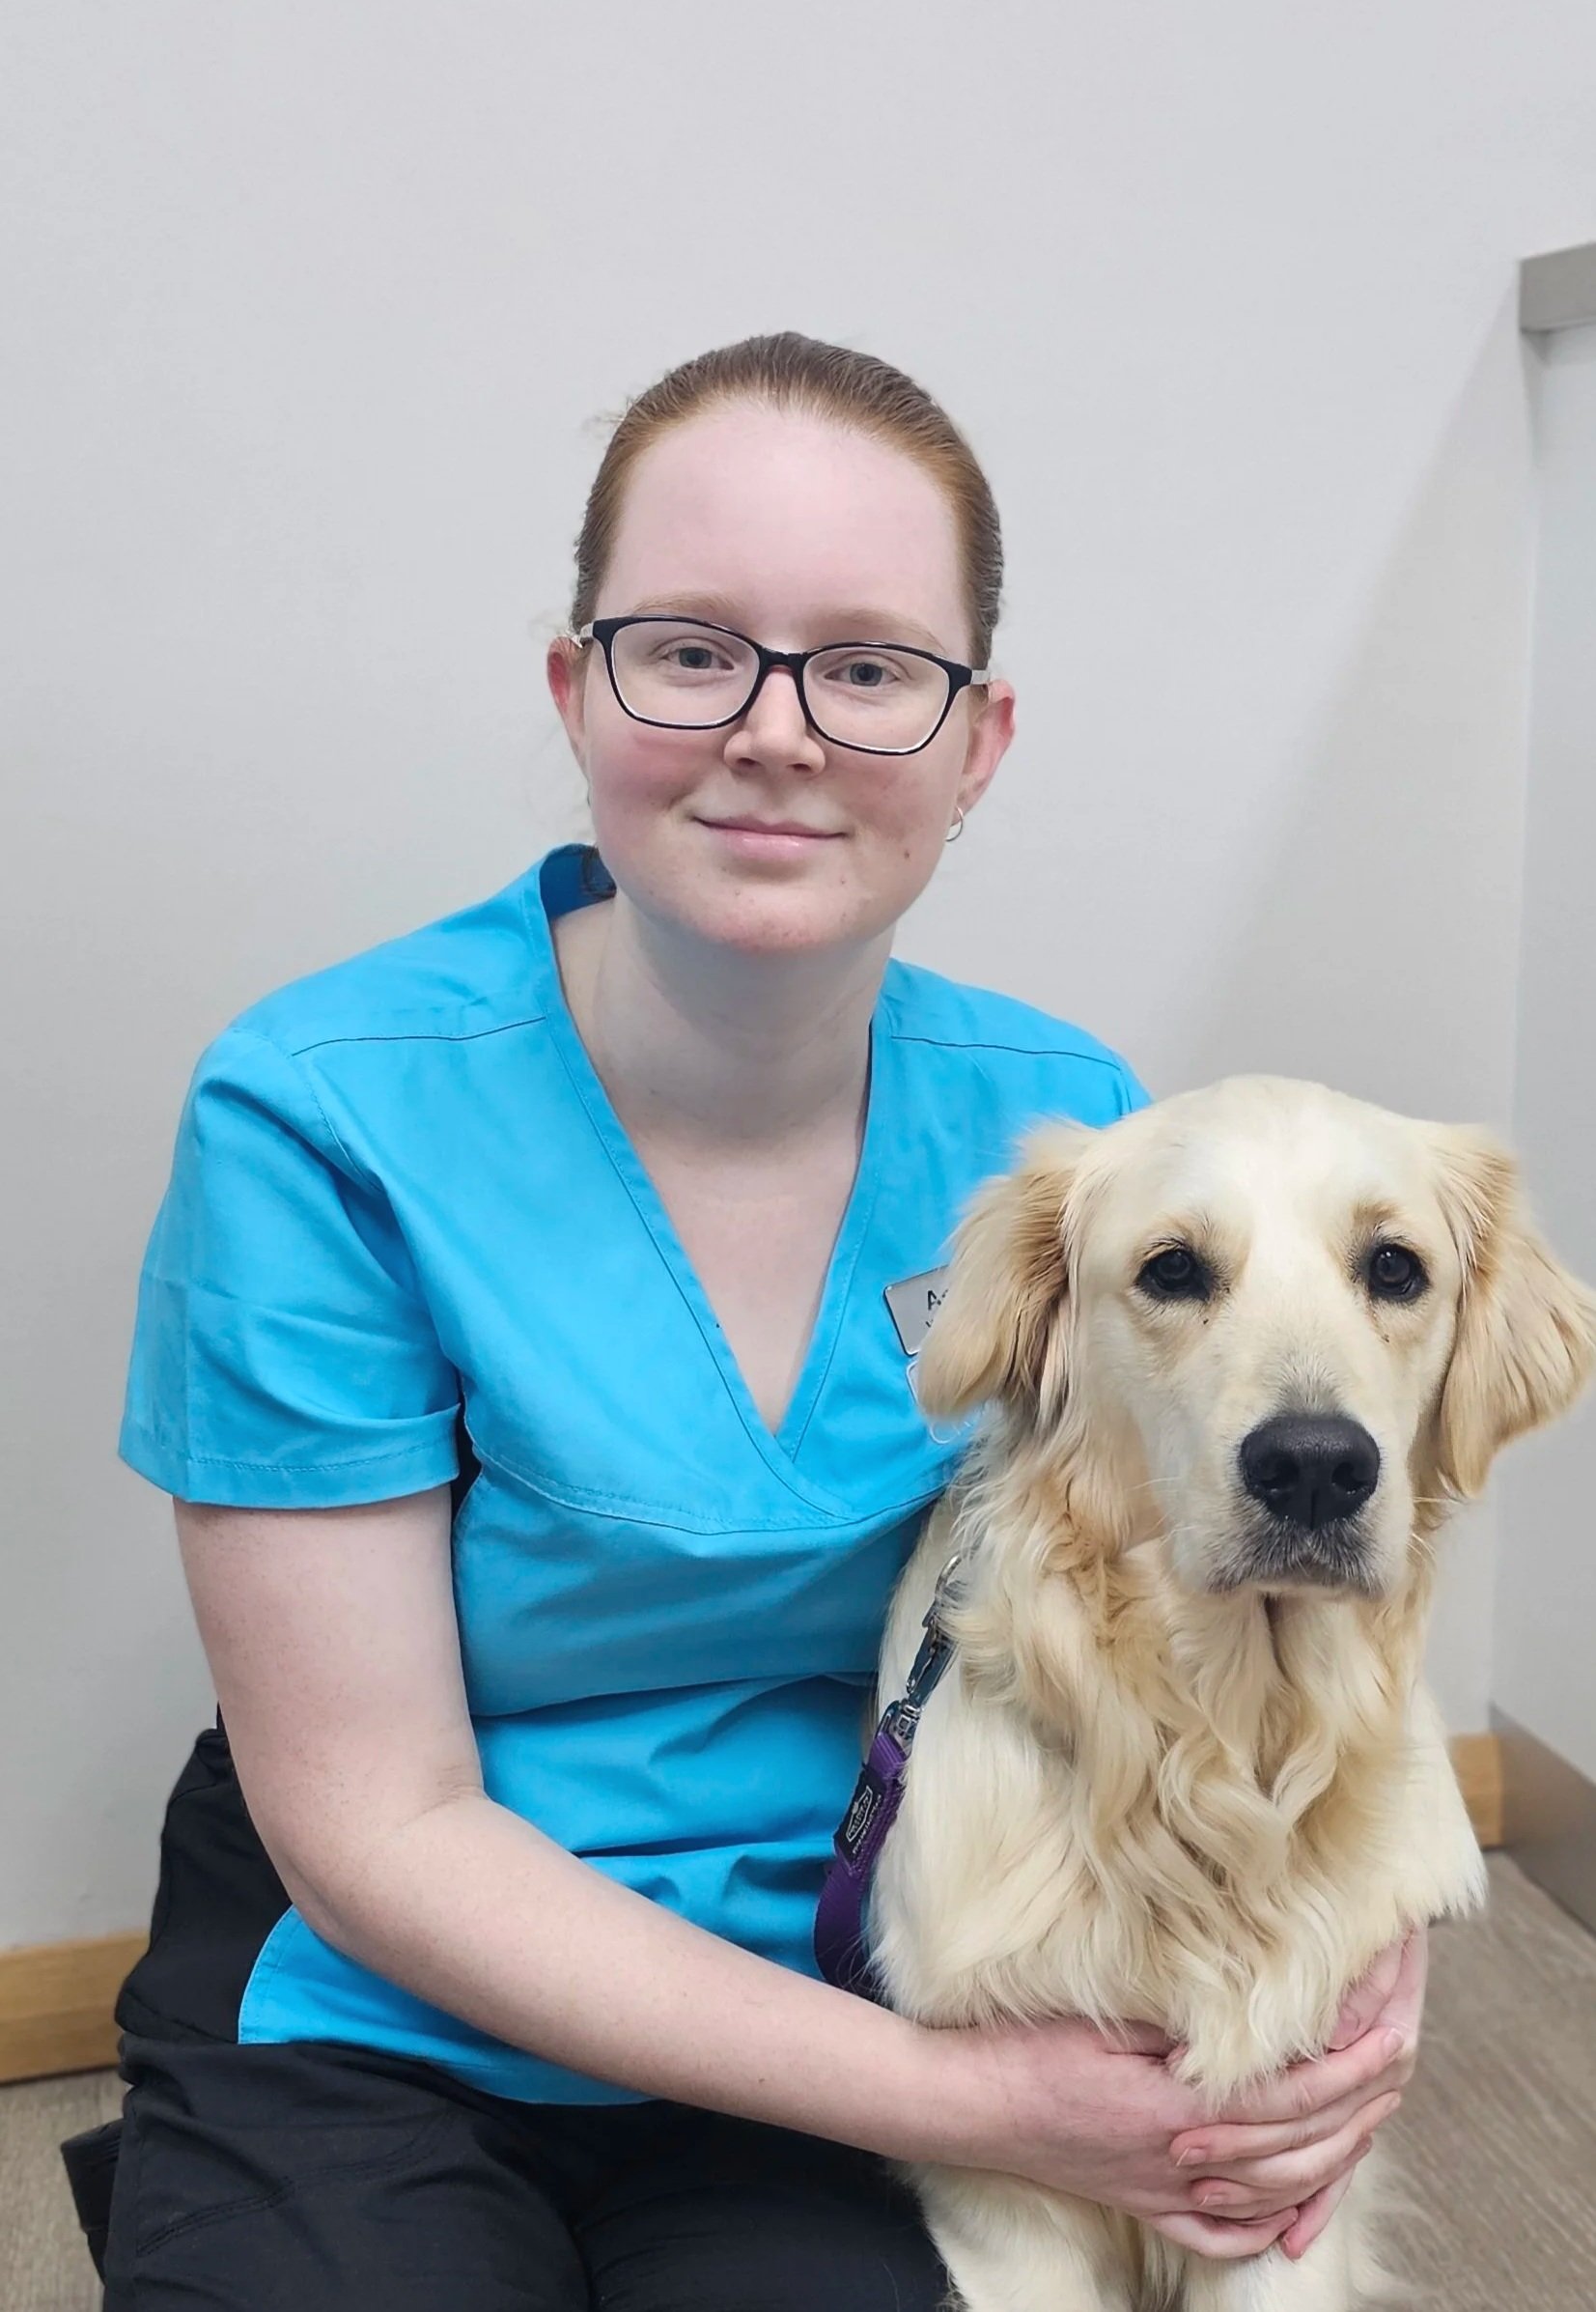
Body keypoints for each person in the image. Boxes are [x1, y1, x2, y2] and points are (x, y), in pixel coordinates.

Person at [80, 333, 1422, 2311]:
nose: (778, 730)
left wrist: (1351, 1960)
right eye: (691, 647)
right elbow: (378, 1820)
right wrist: (978, 2106)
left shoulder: (1070, 1135)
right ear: (574, 687)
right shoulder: (321, 1111)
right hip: (394, 1988)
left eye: (871, 667)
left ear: (978, 740)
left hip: (861, 1938)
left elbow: (1224, 1609)